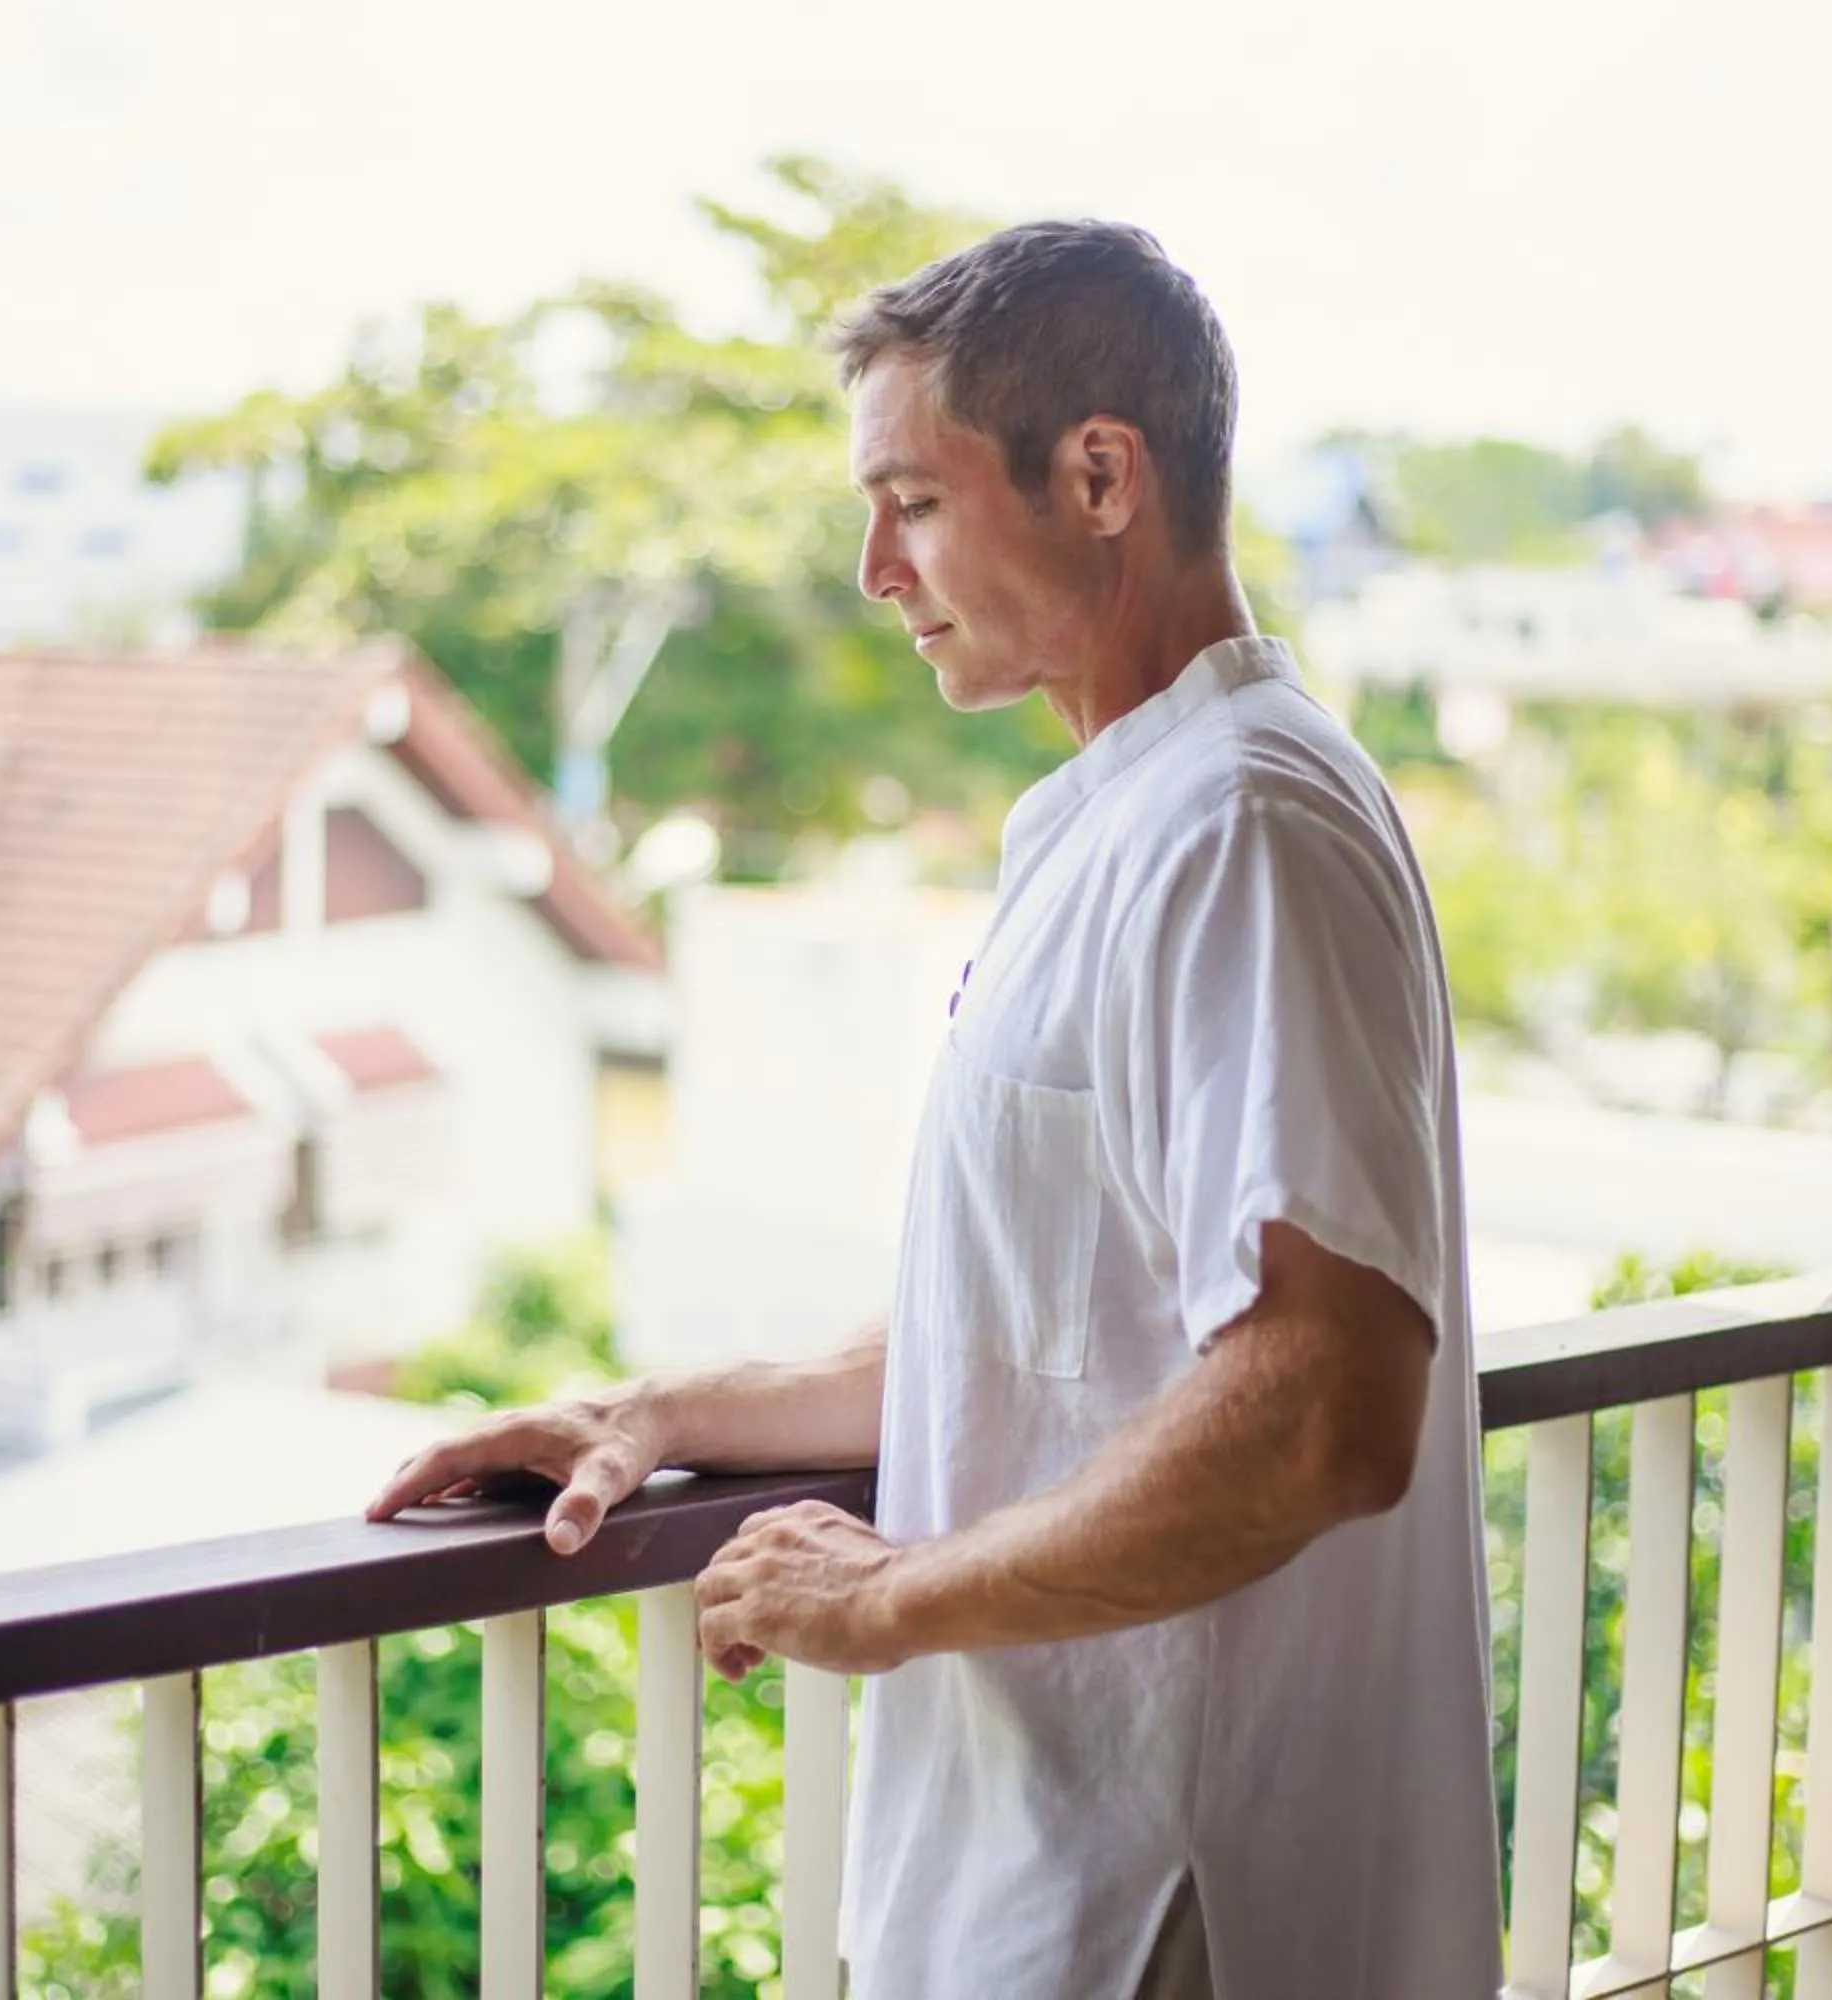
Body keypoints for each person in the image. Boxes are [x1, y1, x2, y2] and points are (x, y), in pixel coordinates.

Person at [367, 221, 1502, 2000]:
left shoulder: (1241, 829)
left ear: (1101, 473)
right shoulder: (1135, 814)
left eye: (911, 500)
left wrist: (881, 1599)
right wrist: (661, 1411)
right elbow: (1057, 1338)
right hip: (1047, 1878)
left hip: (1169, 1902)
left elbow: (1322, 1405)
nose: (874, 568)